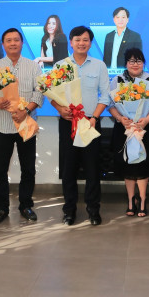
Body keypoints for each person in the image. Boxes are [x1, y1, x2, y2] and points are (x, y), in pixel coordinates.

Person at [0, 28, 44, 224]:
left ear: (22, 43)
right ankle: (1, 208)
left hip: (26, 123)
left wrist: (27, 110)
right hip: (3, 126)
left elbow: (39, 92)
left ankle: (26, 205)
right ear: (3, 44)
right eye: (9, 40)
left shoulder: (33, 66)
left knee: (28, 169)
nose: (13, 43)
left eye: (16, 40)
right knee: (0, 170)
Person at [50, 26, 110, 226]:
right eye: (77, 40)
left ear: (90, 43)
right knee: (69, 169)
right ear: (71, 42)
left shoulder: (99, 66)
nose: (81, 43)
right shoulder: (61, 65)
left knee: (93, 168)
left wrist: (94, 118)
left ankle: (93, 209)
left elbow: (105, 95)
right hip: (68, 123)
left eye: (85, 40)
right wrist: (60, 109)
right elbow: (51, 94)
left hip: (91, 122)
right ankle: (69, 211)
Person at [107, 48, 149, 217]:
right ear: (126, 63)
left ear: (143, 63)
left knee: (143, 165)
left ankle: (143, 199)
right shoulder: (117, 80)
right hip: (124, 129)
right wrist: (120, 118)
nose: (135, 64)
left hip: (144, 128)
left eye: (138, 61)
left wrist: (145, 120)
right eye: (131, 61)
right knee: (127, 166)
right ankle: (131, 200)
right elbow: (111, 105)